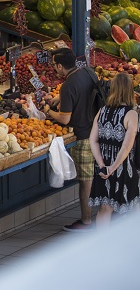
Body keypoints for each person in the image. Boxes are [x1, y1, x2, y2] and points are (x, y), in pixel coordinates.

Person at [47, 48, 97, 232]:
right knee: (94, 175)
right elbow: (84, 91)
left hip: (82, 136)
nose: (54, 68)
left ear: (60, 66)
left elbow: (64, 119)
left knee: (85, 181)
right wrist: (60, 98)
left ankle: (86, 221)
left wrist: (48, 111)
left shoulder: (68, 85)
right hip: (96, 131)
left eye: (54, 65)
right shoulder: (86, 71)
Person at [88, 73, 139, 227]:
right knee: (134, 206)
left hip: (103, 167)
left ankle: (101, 246)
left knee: (105, 209)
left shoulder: (102, 111)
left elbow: (93, 140)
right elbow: (127, 146)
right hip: (123, 167)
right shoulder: (131, 114)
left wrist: (102, 164)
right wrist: (114, 167)